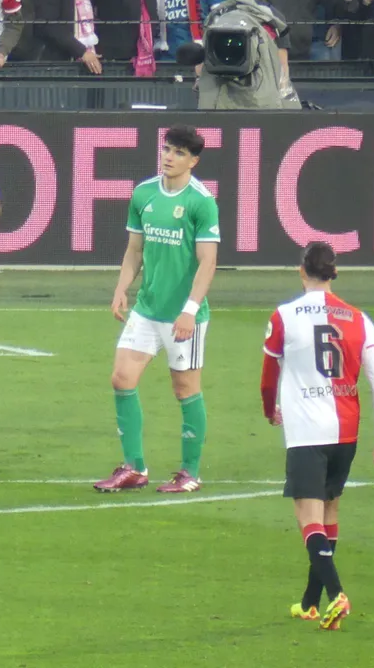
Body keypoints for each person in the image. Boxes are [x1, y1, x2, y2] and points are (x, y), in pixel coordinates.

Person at [261, 241, 374, 630]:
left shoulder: (284, 316)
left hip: (306, 432)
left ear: (302, 270)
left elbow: (269, 378)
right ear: (334, 273)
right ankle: (310, 603)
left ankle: (337, 595)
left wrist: (270, 410)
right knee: (330, 511)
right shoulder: (359, 319)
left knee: (308, 517)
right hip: (346, 431)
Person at [95, 126, 219, 495]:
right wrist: (122, 288)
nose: (169, 157)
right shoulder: (144, 193)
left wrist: (190, 310)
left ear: (193, 161)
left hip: (183, 315)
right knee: (121, 378)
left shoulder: (201, 201)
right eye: (167, 149)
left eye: (179, 153)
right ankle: (134, 468)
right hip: (147, 310)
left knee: (185, 389)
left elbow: (208, 262)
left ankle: (190, 472)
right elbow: (135, 249)